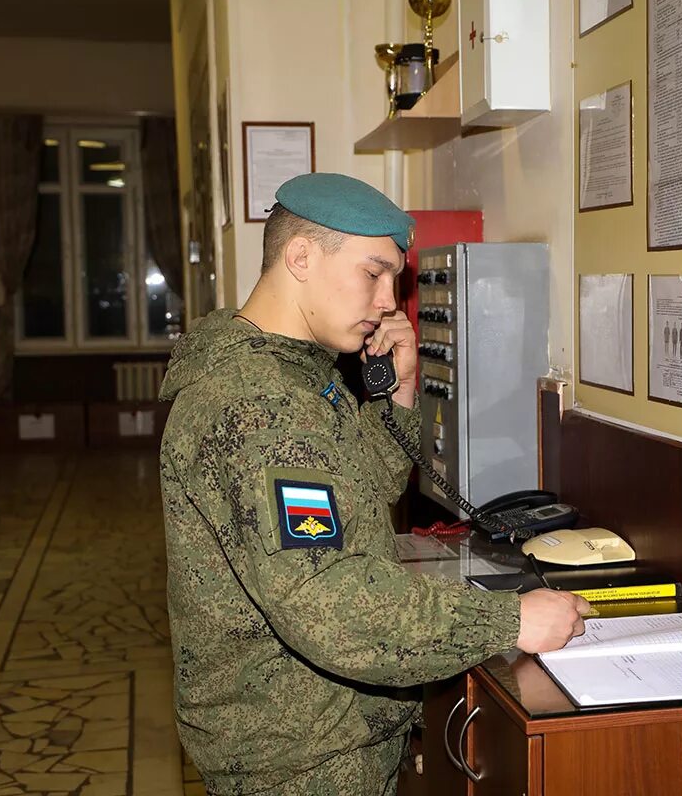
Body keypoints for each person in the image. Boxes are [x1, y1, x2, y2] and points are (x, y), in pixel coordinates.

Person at [158, 172, 589, 796]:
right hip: (301, 758)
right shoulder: (257, 401)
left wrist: (399, 392)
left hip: (308, 734)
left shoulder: (292, 375)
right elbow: (330, 606)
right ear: (300, 257)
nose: (390, 301)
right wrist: (510, 621)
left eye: (396, 280)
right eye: (373, 272)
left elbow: (350, 490)